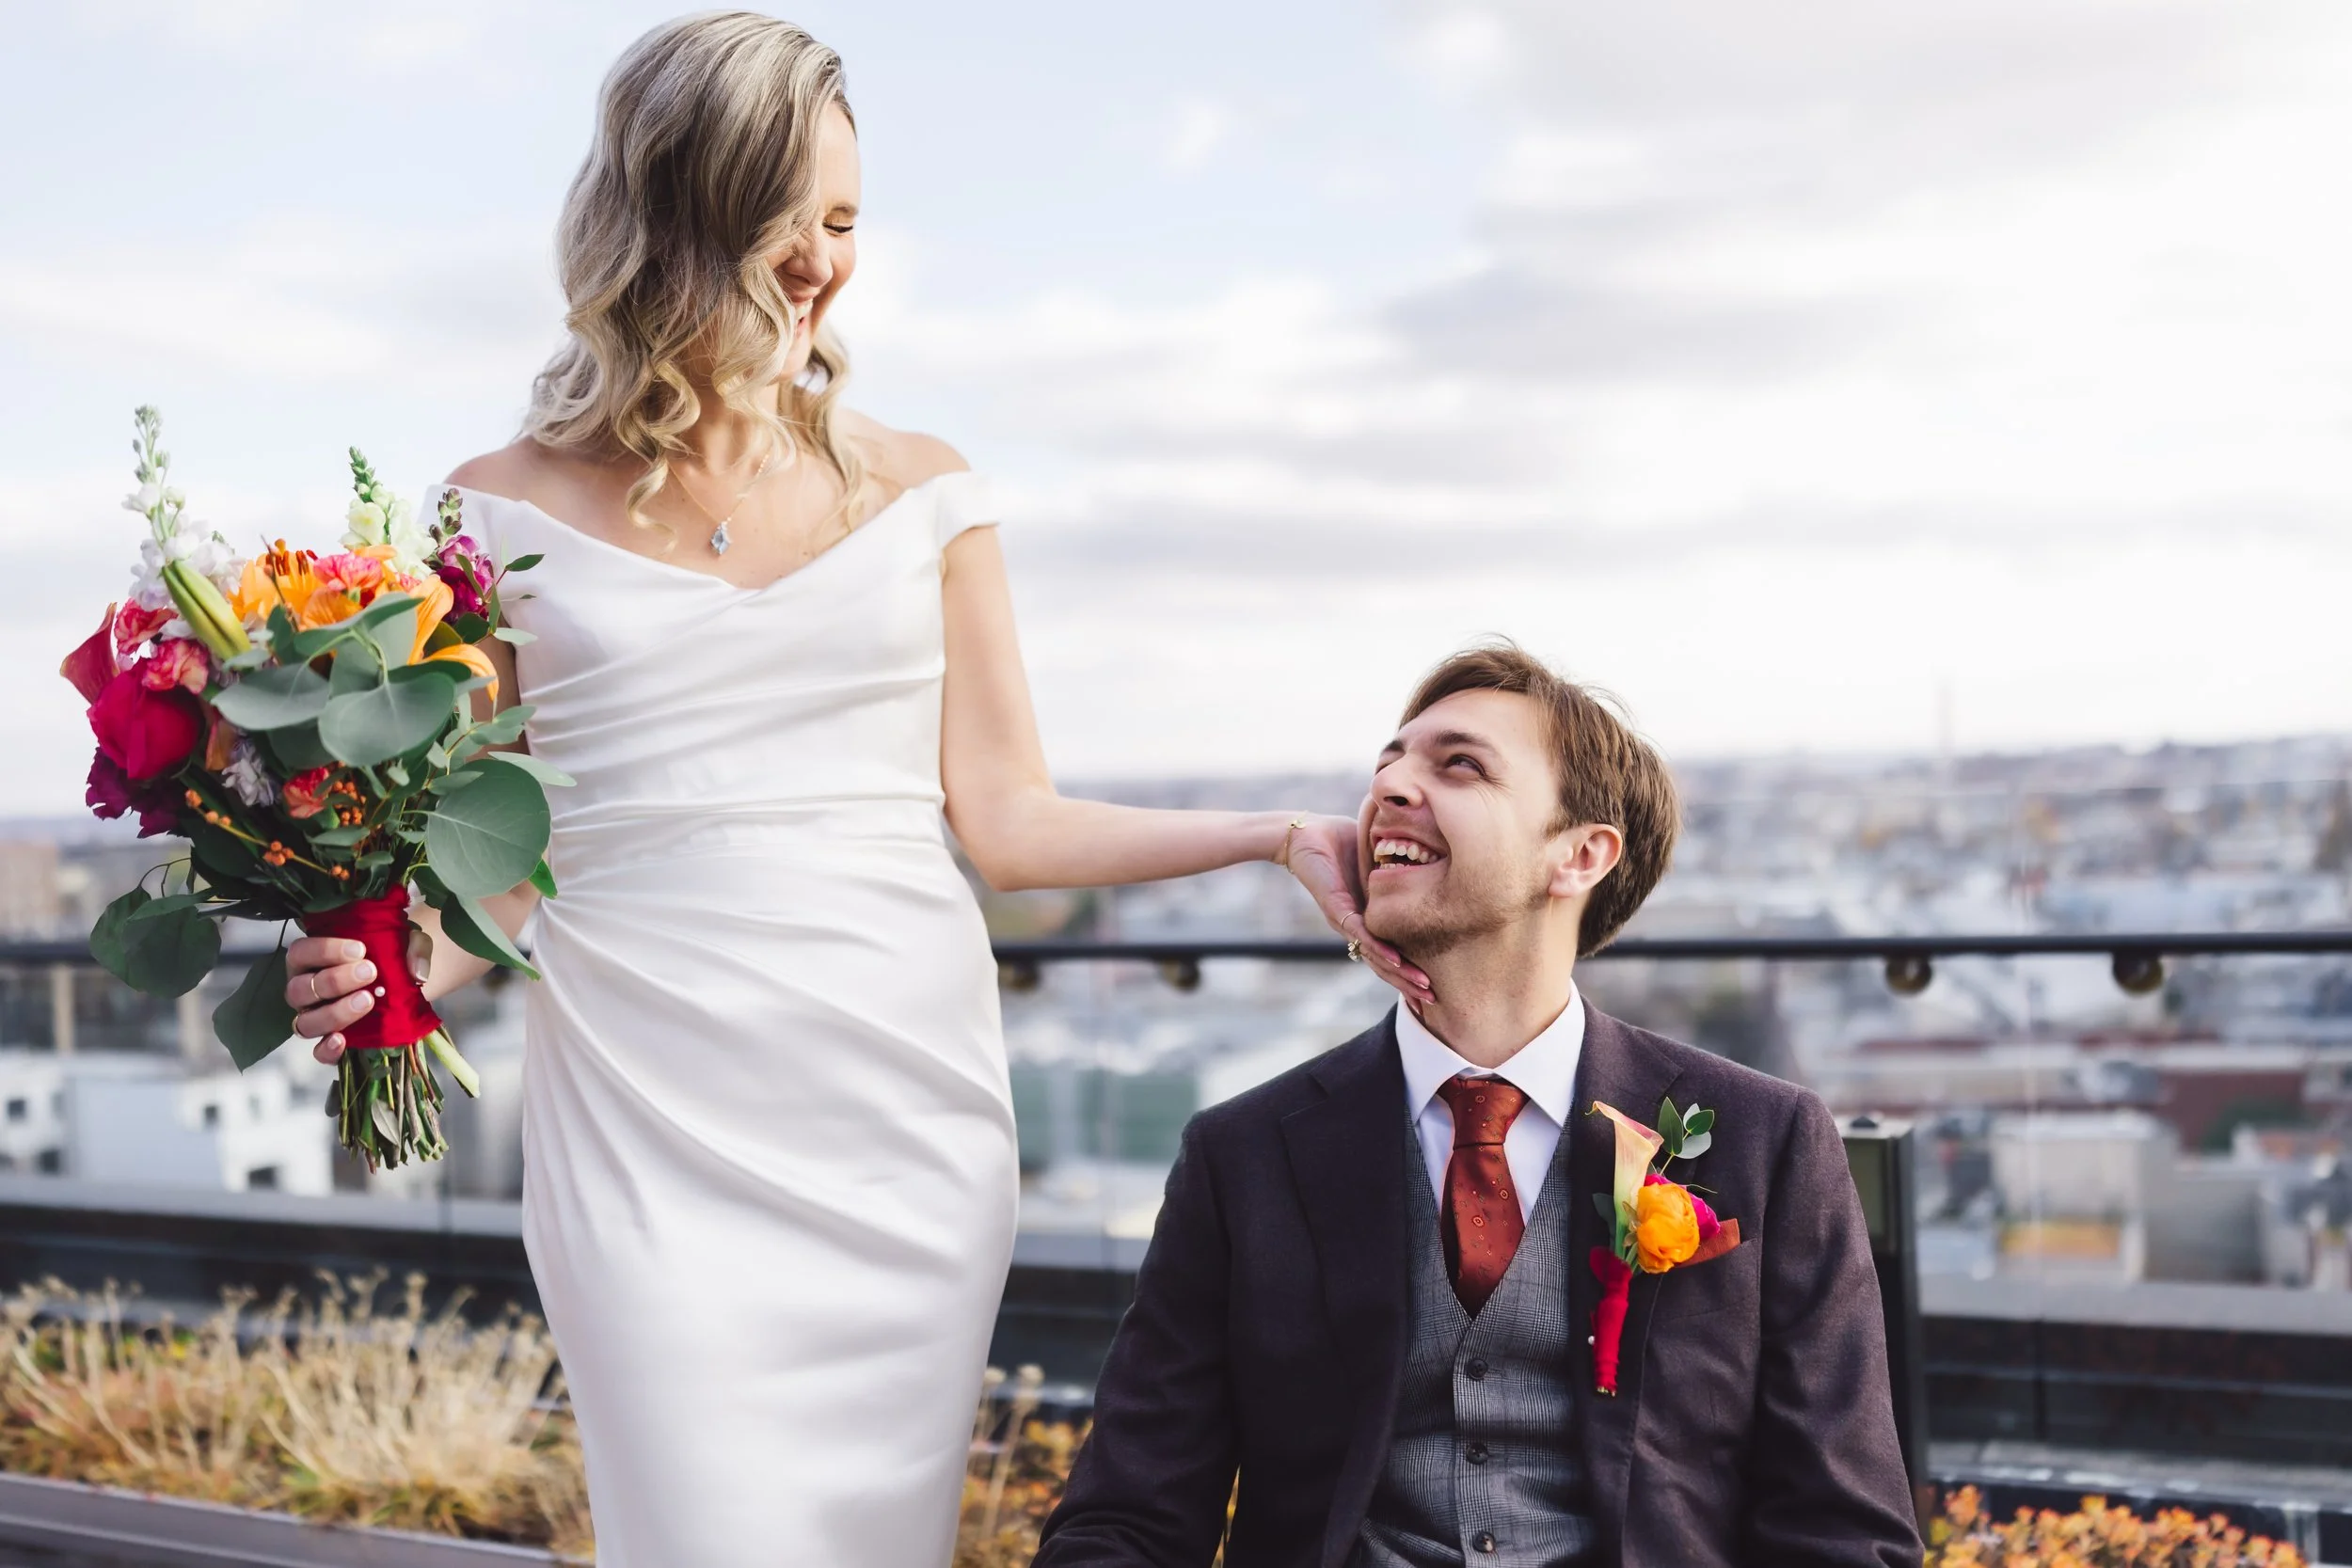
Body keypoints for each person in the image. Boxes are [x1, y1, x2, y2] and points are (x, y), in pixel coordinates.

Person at [278, 15, 1422, 1565]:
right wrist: (391, 959)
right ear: (679, 218)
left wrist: (1276, 834)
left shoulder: (929, 486)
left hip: (902, 1114)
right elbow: (503, 866)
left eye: (845, 220)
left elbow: (1010, 822)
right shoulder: (492, 513)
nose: (823, 263)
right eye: (788, 221)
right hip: (645, 1113)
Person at [1034, 644, 1922, 1568]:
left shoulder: (1761, 1139)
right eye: (1389, 761)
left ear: (1579, 854)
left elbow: (1842, 1529)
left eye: (1457, 764)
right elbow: (1126, 1517)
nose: (1389, 787)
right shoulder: (1242, 1153)